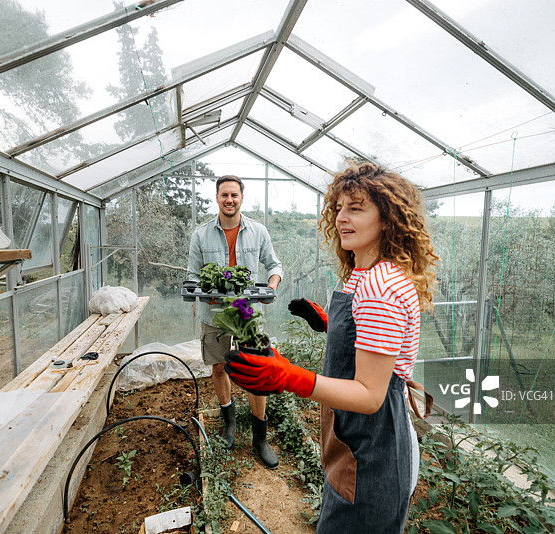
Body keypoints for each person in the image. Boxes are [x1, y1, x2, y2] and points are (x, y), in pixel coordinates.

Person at [224, 163, 437, 532]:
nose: (341, 218)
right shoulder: (366, 273)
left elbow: (371, 394)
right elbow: (374, 340)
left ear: (386, 218)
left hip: (373, 445)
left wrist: (291, 377)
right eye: (338, 208)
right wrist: (332, 324)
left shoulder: (380, 287)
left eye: (356, 208)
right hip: (357, 437)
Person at [187, 174, 283, 468]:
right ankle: (229, 422)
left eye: (234, 195)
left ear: (242, 198)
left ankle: (259, 437)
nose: (229, 200)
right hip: (214, 313)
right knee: (219, 367)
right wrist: (203, 291)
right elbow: (192, 275)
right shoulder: (201, 235)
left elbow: (274, 265)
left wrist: (272, 287)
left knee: (256, 370)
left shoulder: (258, 231)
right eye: (224, 195)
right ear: (216, 198)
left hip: (248, 314)